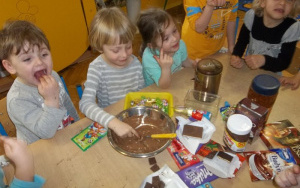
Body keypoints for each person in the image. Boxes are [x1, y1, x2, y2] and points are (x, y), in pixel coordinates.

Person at [0, 20, 79, 144]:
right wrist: (51, 100)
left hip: (65, 137)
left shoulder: (53, 76)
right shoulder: (17, 99)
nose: (39, 62)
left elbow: (67, 104)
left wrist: (78, 125)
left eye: (43, 54)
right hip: (40, 151)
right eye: (27, 59)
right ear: (10, 66)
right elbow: (46, 133)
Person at [79, 7, 144, 138]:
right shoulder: (97, 68)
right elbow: (85, 104)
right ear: (99, 47)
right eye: (116, 50)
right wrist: (113, 122)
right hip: (110, 121)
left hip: (132, 118)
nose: (124, 55)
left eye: (128, 47)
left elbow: (142, 93)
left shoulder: (135, 62)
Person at [230, 0, 300, 72]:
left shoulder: (292, 28)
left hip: (271, 75)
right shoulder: (251, 16)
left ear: (293, 6)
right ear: (262, 2)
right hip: (249, 69)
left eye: (289, 0)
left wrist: (264, 60)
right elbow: (242, 41)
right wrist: (236, 55)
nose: (283, 3)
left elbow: (284, 63)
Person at [137, 8, 196, 88]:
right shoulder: (150, 59)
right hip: (155, 91)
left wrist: (194, 64)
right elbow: (163, 86)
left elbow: (185, 61)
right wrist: (165, 68)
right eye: (166, 38)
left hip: (175, 81)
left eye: (174, 31)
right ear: (151, 45)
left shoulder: (180, 44)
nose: (174, 39)